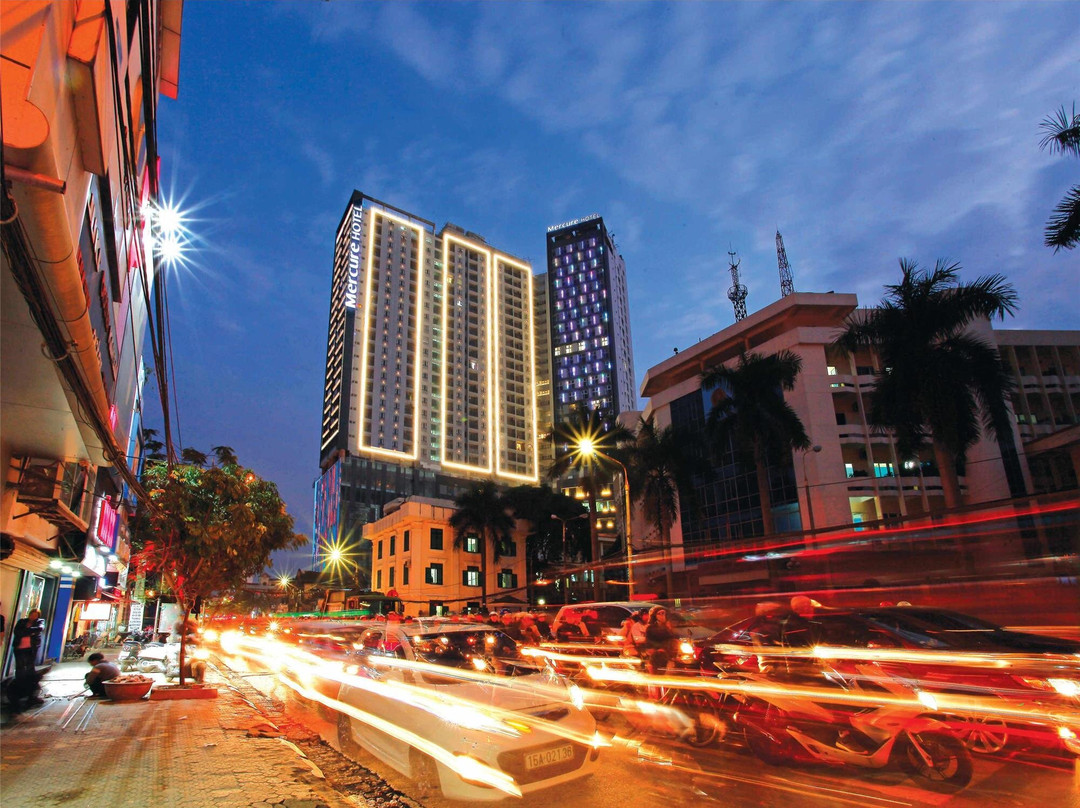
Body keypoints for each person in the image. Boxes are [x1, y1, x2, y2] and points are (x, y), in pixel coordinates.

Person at [643, 607, 680, 675]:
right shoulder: (651, 628)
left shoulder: (671, 626)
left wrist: (669, 628)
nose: (661, 615)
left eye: (663, 613)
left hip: (670, 652)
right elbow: (649, 642)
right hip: (657, 653)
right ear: (655, 616)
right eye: (659, 614)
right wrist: (658, 649)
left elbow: (675, 638)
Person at [12, 609, 44, 678]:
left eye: (35, 615)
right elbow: (17, 632)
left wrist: (24, 632)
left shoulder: (40, 622)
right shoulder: (22, 621)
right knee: (19, 665)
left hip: (31, 648)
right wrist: (30, 633)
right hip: (19, 647)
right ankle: (19, 681)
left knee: (30, 665)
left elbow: (39, 629)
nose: (33, 617)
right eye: (32, 614)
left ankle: (29, 682)